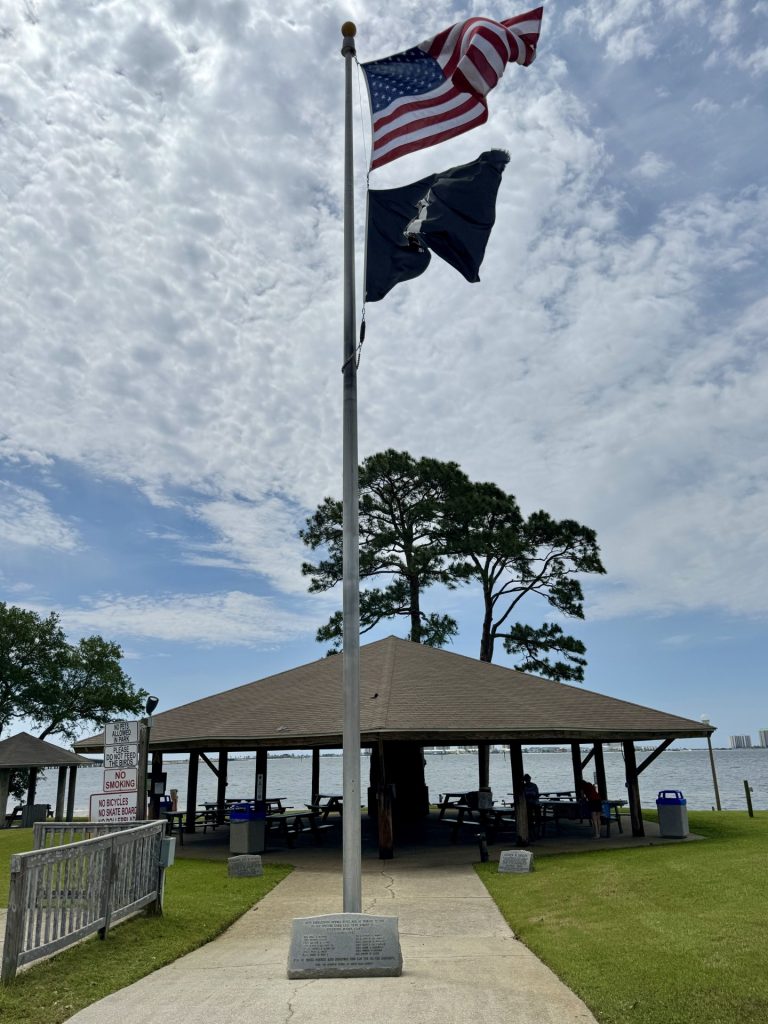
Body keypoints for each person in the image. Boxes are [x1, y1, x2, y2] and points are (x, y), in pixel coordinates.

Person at [523, 773, 541, 838]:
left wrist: (531, 798)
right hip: (529, 804)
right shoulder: (524, 786)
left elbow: (536, 795)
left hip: (534, 803)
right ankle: (533, 831)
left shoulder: (534, 786)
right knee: (530, 817)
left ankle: (536, 830)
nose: (527, 780)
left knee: (537, 817)